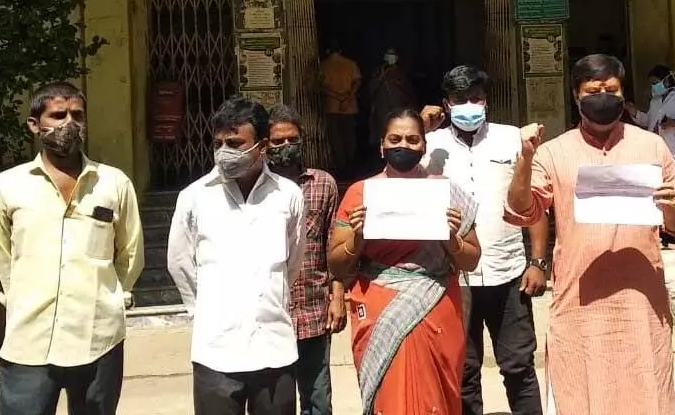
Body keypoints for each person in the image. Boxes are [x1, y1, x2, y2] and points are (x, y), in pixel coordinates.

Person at [505, 54, 675, 415]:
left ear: (623, 94)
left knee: (645, 394)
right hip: (579, 304)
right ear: (576, 96)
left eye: (612, 89)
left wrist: (671, 206)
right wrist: (525, 161)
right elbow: (521, 211)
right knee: (580, 394)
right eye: (594, 90)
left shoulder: (651, 147)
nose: (603, 96)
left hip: (641, 306)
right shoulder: (554, 152)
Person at [0, 81, 145, 415]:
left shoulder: (114, 183)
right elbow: (4, 256)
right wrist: (19, 298)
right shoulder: (7, 186)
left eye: (77, 115)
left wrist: (115, 297)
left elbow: (130, 252)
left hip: (97, 336)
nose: (68, 123)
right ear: (34, 124)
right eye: (58, 115)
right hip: (29, 339)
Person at [327, 108, 482, 415]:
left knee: (437, 392)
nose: (404, 145)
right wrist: (359, 237)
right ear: (381, 145)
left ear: (424, 146)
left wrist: (451, 238)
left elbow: (472, 259)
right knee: (388, 394)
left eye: (412, 139)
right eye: (395, 139)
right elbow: (336, 264)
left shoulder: (446, 191)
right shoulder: (361, 193)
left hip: (436, 301)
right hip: (379, 301)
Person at [419, 65, 546, 415]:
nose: (469, 106)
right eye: (460, 99)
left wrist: (537, 262)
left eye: (475, 98)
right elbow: (399, 188)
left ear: (486, 100)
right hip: (453, 276)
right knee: (464, 369)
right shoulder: (429, 145)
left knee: (519, 365)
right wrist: (420, 132)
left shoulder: (512, 140)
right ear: (447, 103)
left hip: (509, 273)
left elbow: (534, 205)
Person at [167, 95, 304, 415]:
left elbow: (292, 262)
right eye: (218, 143)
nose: (224, 152)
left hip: (275, 348)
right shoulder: (194, 198)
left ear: (263, 144)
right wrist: (205, 312)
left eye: (235, 142)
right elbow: (179, 262)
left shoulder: (288, 195)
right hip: (216, 351)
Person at [265, 104, 347, 415]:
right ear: (264, 144)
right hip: (271, 310)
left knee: (318, 398)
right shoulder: (256, 189)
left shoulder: (323, 183)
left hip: (314, 309)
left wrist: (338, 298)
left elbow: (334, 248)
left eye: (292, 139)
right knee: (274, 399)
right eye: (277, 141)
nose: (286, 146)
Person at [626, 64, 675, 244]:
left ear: (667, 79)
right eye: (651, 84)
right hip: (659, 153)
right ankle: (666, 229)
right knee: (662, 192)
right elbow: (649, 122)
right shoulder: (656, 101)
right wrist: (634, 112)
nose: (653, 87)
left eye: (656, 82)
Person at [320, 41, 362, 174]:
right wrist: (348, 97)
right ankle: (352, 164)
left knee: (335, 139)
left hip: (331, 107)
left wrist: (337, 98)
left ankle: (341, 167)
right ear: (341, 50)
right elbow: (358, 81)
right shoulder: (351, 64)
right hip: (349, 107)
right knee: (350, 137)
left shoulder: (323, 65)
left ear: (327, 50)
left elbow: (321, 88)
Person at [367, 48, 417, 149]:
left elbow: (408, 90)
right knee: (383, 129)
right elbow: (371, 88)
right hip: (382, 107)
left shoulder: (401, 72)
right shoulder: (378, 71)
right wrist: (381, 77)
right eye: (389, 54)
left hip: (399, 107)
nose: (391, 57)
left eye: (393, 54)